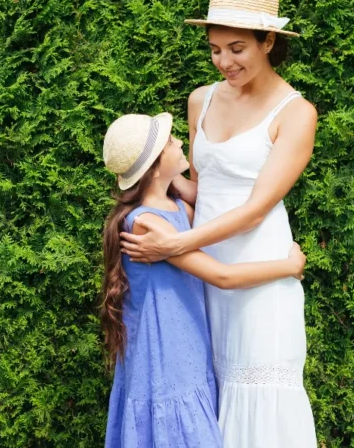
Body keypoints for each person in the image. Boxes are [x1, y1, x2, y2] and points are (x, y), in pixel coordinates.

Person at [120, 0, 318, 448]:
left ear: (268, 42)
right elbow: (204, 188)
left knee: (259, 387)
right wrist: (152, 188)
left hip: (257, 267)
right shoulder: (200, 100)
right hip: (204, 269)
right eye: (214, 49)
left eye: (237, 48)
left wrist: (175, 246)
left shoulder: (297, 114)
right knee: (212, 385)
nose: (224, 62)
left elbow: (252, 212)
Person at [101, 112, 306, 447]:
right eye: (170, 142)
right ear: (154, 164)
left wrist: (173, 179)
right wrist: (288, 266)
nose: (181, 141)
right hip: (165, 360)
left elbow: (218, 203)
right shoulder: (147, 224)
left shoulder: (177, 208)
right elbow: (222, 276)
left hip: (187, 352)